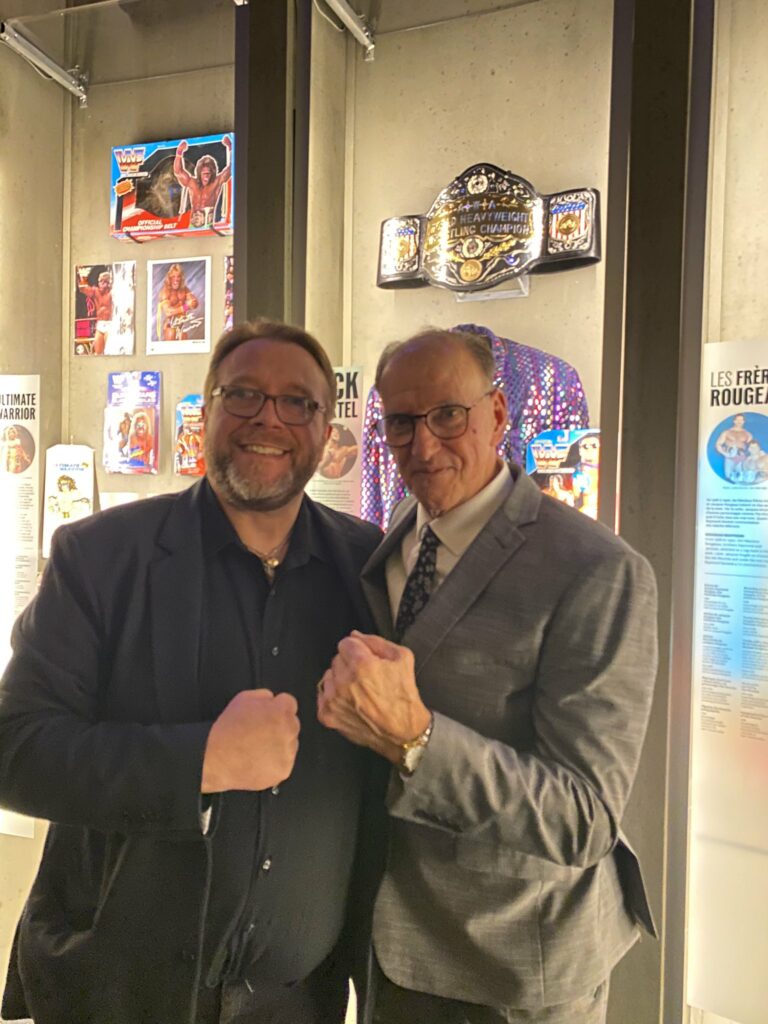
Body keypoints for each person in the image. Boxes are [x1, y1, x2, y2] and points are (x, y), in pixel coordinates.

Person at [0, 319, 381, 1024]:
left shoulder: (370, 571)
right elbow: (17, 752)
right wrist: (199, 760)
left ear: (327, 432)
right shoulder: (102, 558)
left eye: (297, 402)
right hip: (117, 996)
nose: (268, 418)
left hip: (299, 1005)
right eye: (243, 395)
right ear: (204, 413)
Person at [318, 328, 658, 1024]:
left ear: (499, 414)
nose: (423, 445)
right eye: (402, 422)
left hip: (512, 971)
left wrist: (416, 739)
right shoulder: (395, 537)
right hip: (386, 955)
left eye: (449, 415)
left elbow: (585, 818)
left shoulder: (595, 570)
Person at [174, 135, 232, 227]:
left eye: (208, 174)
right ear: (199, 173)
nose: (206, 177)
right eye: (204, 174)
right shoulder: (192, 183)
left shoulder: (216, 181)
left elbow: (231, 168)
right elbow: (178, 172)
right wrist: (179, 152)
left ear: (212, 173)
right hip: (192, 223)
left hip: (208, 224)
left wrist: (230, 148)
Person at [158, 262, 200, 341]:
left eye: (178, 276)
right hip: (170, 325)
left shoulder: (184, 289)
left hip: (182, 324)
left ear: (181, 278)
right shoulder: (165, 291)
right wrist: (186, 306)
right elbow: (168, 312)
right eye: (173, 276)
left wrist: (193, 302)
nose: (176, 279)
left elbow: (195, 303)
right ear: (169, 278)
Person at [77, 267, 113, 354]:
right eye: (100, 281)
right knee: (97, 353)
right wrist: (81, 276)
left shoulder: (112, 293)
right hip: (100, 324)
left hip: (110, 324)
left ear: (108, 283)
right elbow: (82, 288)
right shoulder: (95, 291)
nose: (101, 284)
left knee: (109, 352)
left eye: (104, 282)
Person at [715, 412, 752, 481]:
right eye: (737, 420)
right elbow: (718, 444)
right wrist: (725, 454)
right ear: (734, 421)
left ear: (744, 421)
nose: (739, 422)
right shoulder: (726, 432)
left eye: (741, 420)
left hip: (741, 456)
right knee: (728, 477)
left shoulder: (747, 434)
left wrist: (747, 457)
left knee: (741, 478)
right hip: (730, 455)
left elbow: (752, 447)